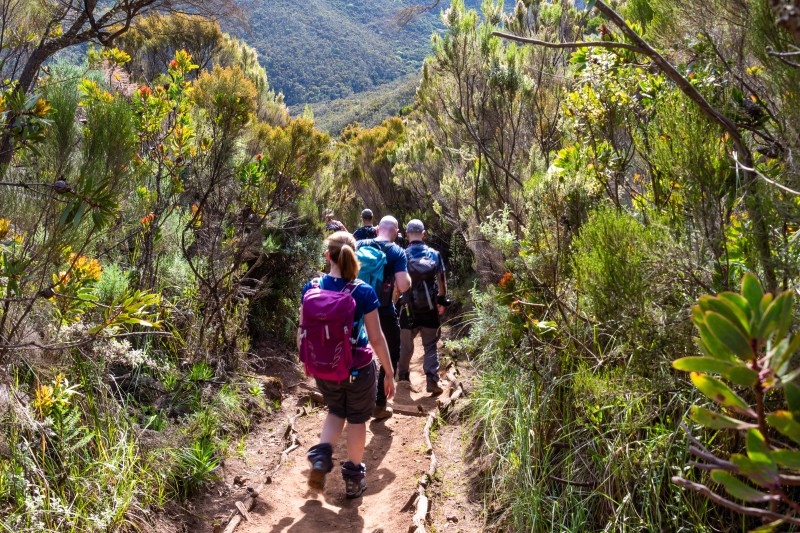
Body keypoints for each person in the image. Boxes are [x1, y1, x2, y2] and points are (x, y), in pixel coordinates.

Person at [300, 231, 395, 498]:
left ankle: (321, 457)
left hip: (324, 368)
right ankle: (353, 479)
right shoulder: (362, 291)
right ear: (353, 256)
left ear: (327, 256)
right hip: (358, 368)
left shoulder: (311, 288)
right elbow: (376, 338)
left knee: (335, 411)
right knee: (356, 420)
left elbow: (302, 331)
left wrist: (309, 365)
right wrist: (389, 372)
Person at [357, 216, 411, 419]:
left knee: (355, 348)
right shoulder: (396, 252)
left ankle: (350, 398)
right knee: (391, 351)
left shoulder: (360, 244)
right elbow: (404, 285)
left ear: (378, 228)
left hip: (356, 307)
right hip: (383, 308)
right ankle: (379, 404)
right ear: (396, 233)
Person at [397, 219, 448, 395]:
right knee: (430, 344)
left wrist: (396, 303)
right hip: (429, 308)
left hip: (408, 308)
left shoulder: (402, 255)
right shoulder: (434, 254)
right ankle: (432, 380)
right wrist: (441, 301)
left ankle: (403, 377)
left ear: (407, 234)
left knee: (405, 345)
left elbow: (398, 283)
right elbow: (441, 280)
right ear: (423, 234)